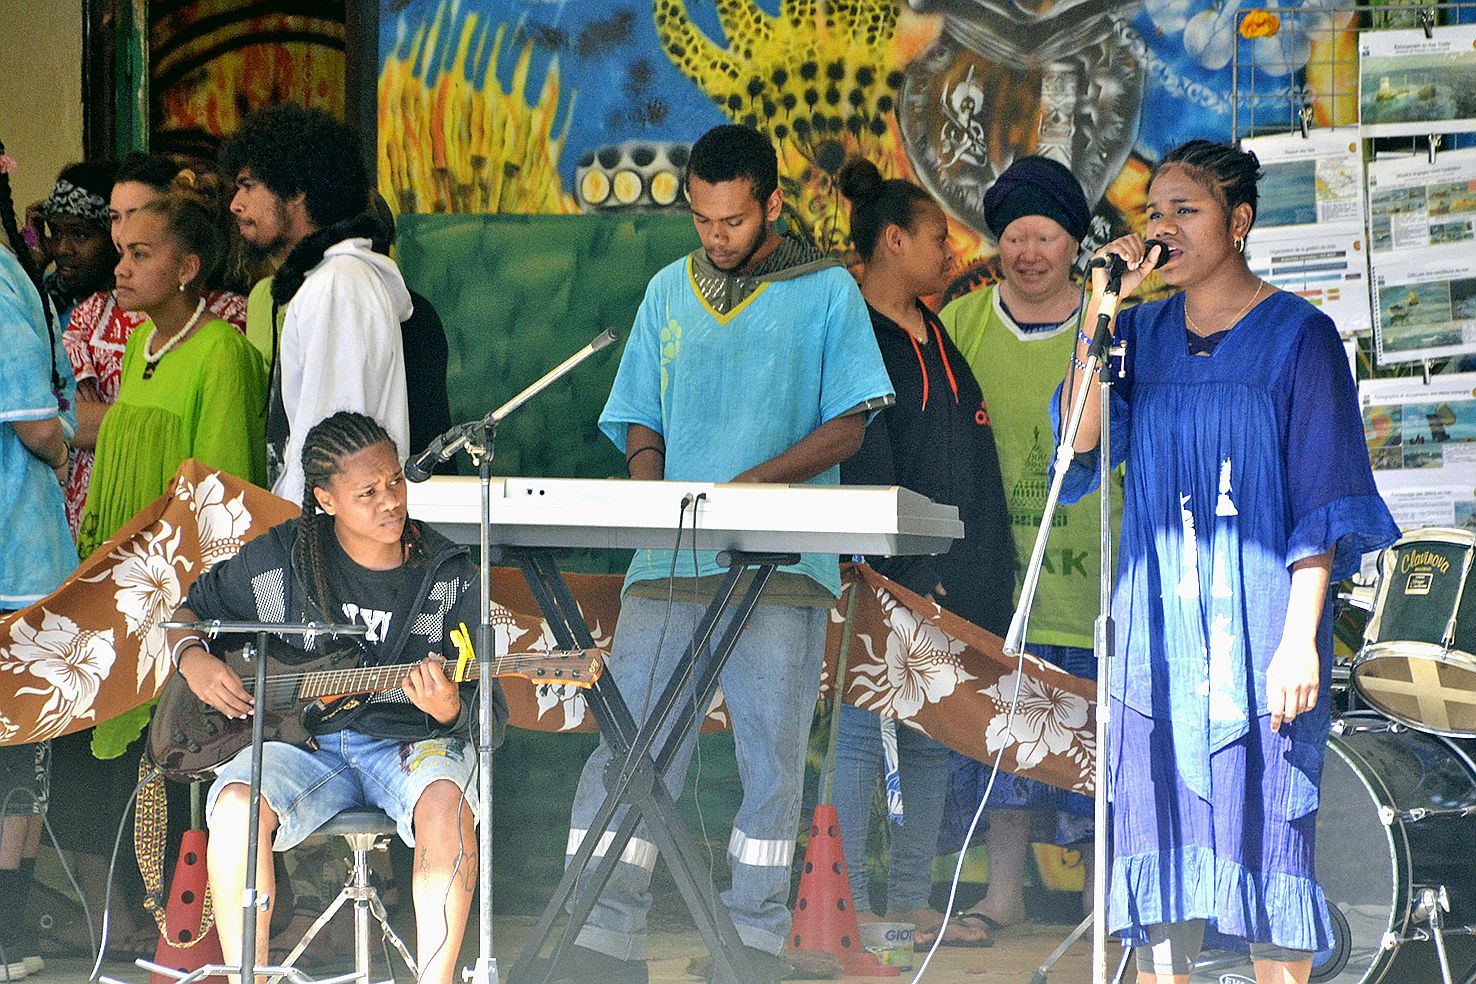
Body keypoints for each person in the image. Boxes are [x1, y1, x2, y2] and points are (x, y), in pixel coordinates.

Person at [559, 124, 894, 984]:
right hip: (666, 564)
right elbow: (641, 412)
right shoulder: (669, 289)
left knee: (770, 765)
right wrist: (653, 483)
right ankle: (598, 938)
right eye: (703, 220)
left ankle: (747, 946)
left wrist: (756, 483)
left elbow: (852, 421)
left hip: (784, 570)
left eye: (734, 220)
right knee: (627, 749)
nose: (716, 236)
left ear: (773, 205)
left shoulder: (827, 291)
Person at [1057, 140, 1397, 984]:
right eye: (1154, 214)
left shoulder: (1300, 339)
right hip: (1156, 637)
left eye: (1186, 211)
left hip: (1259, 633)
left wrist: (1297, 639)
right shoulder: (1134, 331)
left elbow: (1319, 500)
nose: (1162, 229)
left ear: (1238, 222)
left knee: (1266, 842)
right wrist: (1099, 310)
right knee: (1160, 850)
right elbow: (1076, 443)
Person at [165, 410, 505, 984]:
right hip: (305, 744)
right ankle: (247, 977)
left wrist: (451, 708)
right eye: (367, 492)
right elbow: (188, 612)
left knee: (446, 801)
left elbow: (488, 713)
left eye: (395, 481)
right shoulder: (283, 560)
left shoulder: (450, 575)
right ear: (325, 499)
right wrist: (193, 659)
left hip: (408, 744)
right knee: (232, 808)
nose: (391, 500)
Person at [829, 157, 1015, 948]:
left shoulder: (934, 330)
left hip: (950, 580)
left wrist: (975, 578)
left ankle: (909, 898)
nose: (952, 251)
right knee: (862, 737)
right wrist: (897, 572)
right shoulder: (850, 331)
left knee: (934, 734)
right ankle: (847, 903)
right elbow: (861, 458)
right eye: (939, 237)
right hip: (880, 576)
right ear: (895, 240)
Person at [937, 155, 1106, 941]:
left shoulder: (1108, 326)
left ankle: (1098, 900)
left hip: (1096, 576)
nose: (1029, 253)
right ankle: (1001, 895)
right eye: (1014, 237)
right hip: (996, 579)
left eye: (1045, 237)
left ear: (1075, 243)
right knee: (1003, 742)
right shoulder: (962, 325)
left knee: (1093, 745)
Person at [221, 103, 410, 503]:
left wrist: (295, 546)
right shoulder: (330, 283)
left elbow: (333, 450)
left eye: (248, 185)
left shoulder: (337, 286)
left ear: (297, 192)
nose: (235, 204)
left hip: (327, 547)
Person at [77, 171, 266, 558]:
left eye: (140, 254)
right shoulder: (138, 345)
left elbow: (222, 495)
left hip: (178, 585)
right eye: (123, 253)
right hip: (121, 576)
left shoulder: (222, 352)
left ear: (187, 269)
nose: (121, 268)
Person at [0, 138, 78, 981]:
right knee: (15, 756)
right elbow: (33, 417)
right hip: (14, 556)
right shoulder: (3, 282)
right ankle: (7, 937)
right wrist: (62, 446)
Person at [30, 161, 118, 327]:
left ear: (113, 236)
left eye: (79, 234)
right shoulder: (45, 294)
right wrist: (32, 255)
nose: (62, 249)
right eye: (56, 232)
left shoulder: (134, 310)